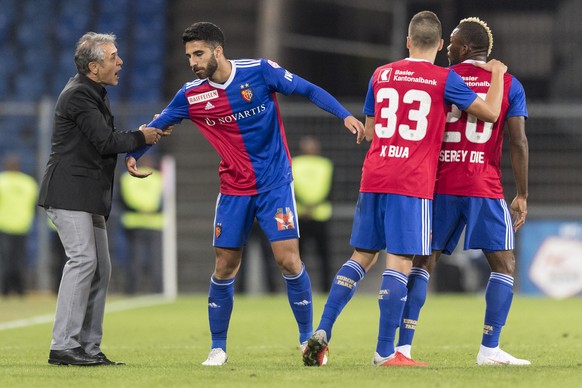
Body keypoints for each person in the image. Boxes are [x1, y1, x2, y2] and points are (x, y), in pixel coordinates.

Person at [125, 22, 365, 366]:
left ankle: (308, 341)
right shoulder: (191, 95)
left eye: (199, 53)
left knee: (288, 259)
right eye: (189, 56)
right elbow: (158, 125)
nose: (193, 61)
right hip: (234, 189)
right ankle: (218, 347)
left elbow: (308, 90)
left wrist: (344, 115)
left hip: (274, 184)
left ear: (217, 51)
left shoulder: (261, 71)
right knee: (225, 265)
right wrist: (134, 154)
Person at [303, 10, 507, 367]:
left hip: (375, 175)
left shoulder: (381, 74)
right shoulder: (444, 79)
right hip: (412, 182)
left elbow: (369, 129)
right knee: (399, 263)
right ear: (440, 44)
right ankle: (385, 352)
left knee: (361, 257)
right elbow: (490, 113)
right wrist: (498, 74)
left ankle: (322, 330)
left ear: (408, 41)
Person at [395, 17, 530, 366]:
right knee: (504, 265)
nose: (446, 46)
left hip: (440, 184)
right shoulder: (509, 83)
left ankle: (403, 347)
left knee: (424, 263)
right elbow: (518, 142)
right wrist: (523, 194)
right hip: (482, 185)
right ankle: (489, 349)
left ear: (465, 48)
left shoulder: (441, 79)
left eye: (451, 42)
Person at [38, 32, 164, 366]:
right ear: (94, 67)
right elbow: (105, 141)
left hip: (88, 194)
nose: (120, 62)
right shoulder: (79, 94)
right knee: (83, 261)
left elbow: (103, 142)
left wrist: (135, 145)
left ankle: (87, 347)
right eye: (112, 57)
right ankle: (63, 344)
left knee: (100, 270)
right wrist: (141, 137)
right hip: (69, 192)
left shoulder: (93, 91)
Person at [292, 136, 334, 292]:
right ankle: (300, 288)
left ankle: (325, 289)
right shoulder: (295, 163)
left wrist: (307, 205)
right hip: (304, 214)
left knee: (323, 256)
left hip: (317, 214)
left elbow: (329, 187)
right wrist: (310, 205)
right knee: (297, 257)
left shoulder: (325, 164)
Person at [119, 154, 163, 294]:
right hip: (154, 222)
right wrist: (150, 210)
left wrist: (140, 209)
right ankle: (158, 289)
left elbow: (125, 199)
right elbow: (163, 199)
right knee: (155, 258)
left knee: (135, 258)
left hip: (135, 221)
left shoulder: (127, 178)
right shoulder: (157, 177)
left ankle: (133, 289)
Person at [0, 154, 38, 297]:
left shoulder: (1, 181)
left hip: (4, 226)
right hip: (23, 226)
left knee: (6, 260)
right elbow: (35, 204)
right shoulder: (28, 182)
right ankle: (20, 289)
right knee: (20, 259)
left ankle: (5, 290)